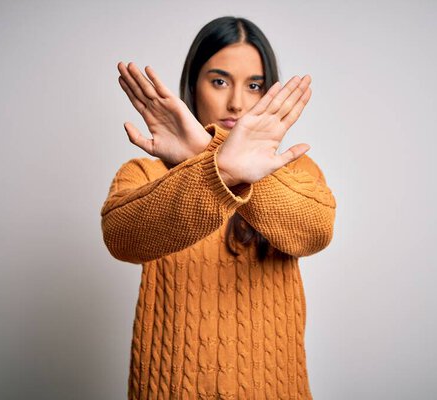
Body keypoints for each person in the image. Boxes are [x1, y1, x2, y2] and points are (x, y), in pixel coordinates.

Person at [101, 16, 336, 400]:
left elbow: (316, 229)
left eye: (254, 85)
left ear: (268, 93)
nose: (236, 102)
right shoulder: (144, 171)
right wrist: (217, 165)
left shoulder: (294, 170)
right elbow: (120, 237)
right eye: (219, 81)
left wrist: (208, 156)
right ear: (193, 85)